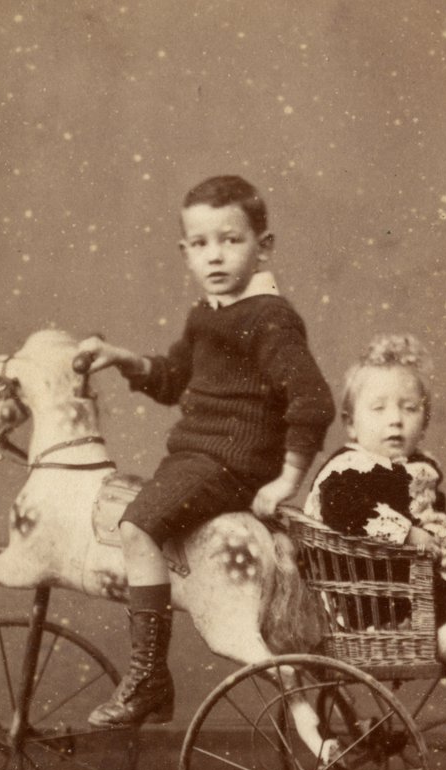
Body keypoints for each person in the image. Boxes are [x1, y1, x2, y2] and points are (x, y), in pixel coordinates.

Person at [77, 174, 335, 728]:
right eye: (200, 243)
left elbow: (312, 401)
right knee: (140, 513)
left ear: (263, 246)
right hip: (197, 460)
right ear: (185, 252)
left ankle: (149, 676)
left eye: (230, 240)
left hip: (230, 465)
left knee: (136, 527)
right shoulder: (207, 314)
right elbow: (174, 379)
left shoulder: (269, 318)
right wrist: (123, 358)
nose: (214, 255)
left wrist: (287, 480)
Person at [304, 334, 446, 765]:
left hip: (421, 591)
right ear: (351, 424)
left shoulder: (418, 469)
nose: (395, 420)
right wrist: (409, 534)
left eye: (409, 409)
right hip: (375, 603)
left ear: (423, 422)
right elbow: (347, 511)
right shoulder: (349, 470)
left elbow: (436, 516)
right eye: (379, 409)